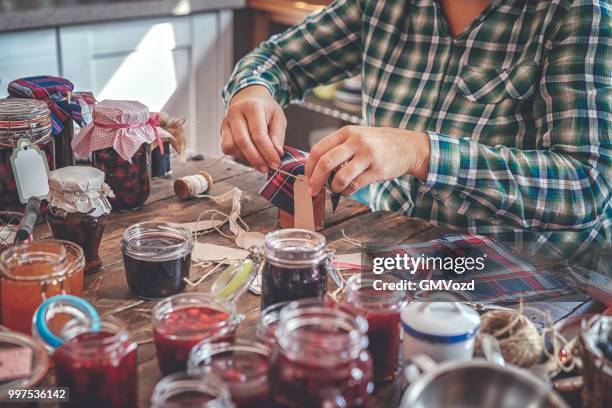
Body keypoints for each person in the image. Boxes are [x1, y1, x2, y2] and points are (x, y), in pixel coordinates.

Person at [220, 0, 611, 262]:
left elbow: (586, 186)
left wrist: (423, 152)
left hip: (525, 273)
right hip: (398, 252)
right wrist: (253, 89)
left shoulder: (580, 14)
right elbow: (277, 59)